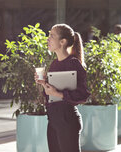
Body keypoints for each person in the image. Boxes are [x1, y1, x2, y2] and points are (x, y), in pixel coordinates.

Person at [36, 24, 90, 152]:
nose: (48, 39)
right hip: (54, 120)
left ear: (62, 42)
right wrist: (44, 84)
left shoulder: (73, 63)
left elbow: (83, 95)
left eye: (52, 36)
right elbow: (51, 95)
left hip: (67, 120)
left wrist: (59, 94)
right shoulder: (54, 64)